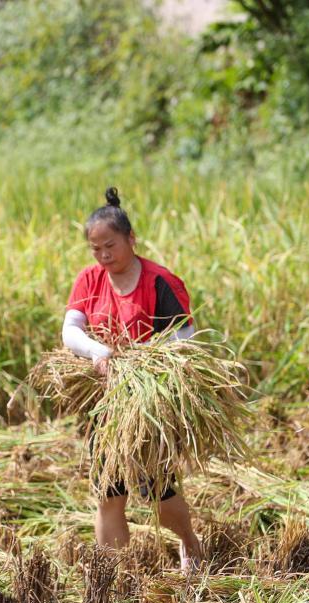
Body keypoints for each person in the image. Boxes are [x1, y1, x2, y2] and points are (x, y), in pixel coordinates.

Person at [62, 187, 203, 570]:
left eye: (111, 246)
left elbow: (184, 340)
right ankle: (116, 574)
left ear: (131, 240)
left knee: (158, 490)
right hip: (105, 405)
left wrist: (141, 363)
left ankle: (188, 542)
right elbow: (70, 331)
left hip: (148, 404)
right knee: (108, 491)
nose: (104, 256)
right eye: (96, 249)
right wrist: (97, 350)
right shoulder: (89, 280)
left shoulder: (160, 282)